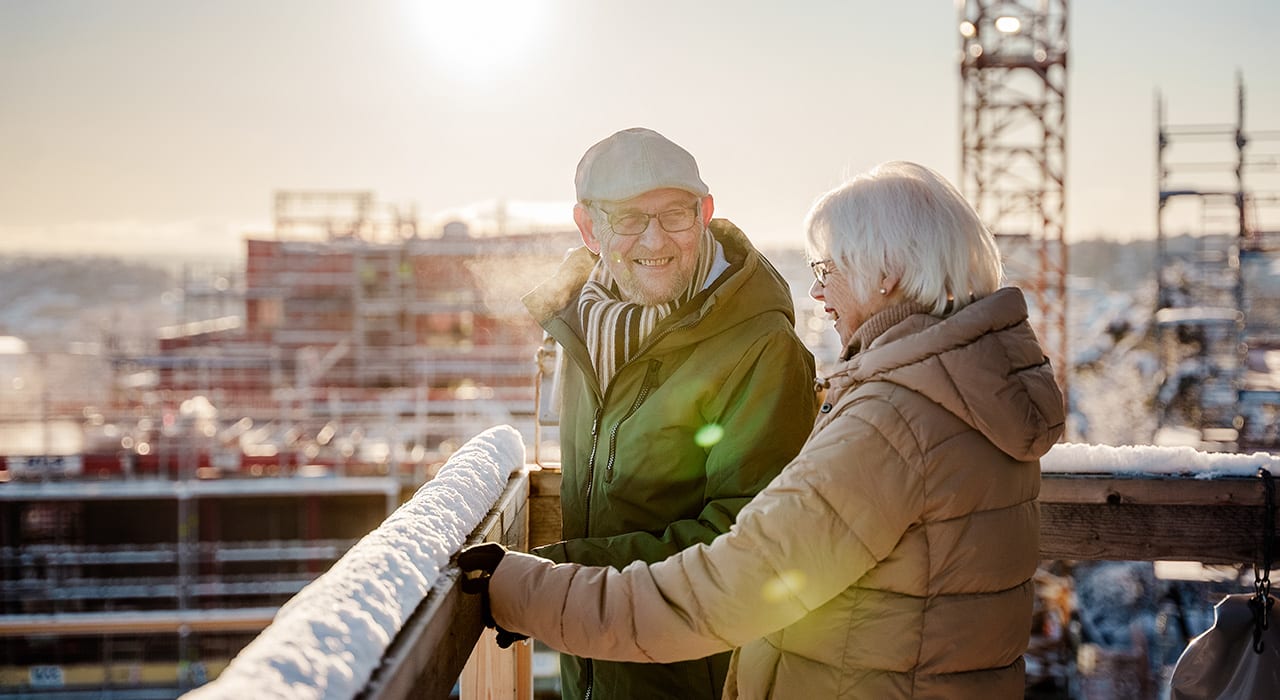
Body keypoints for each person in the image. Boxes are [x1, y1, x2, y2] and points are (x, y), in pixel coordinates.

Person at [463, 160, 1067, 698]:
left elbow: (720, 592)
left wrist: (520, 587)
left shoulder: (897, 423)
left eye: (829, 267)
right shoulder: (967, 390)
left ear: (885, 273)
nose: (816, 289)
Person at [519, 127, 820, 698]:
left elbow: (743, 538)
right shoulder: (583, 328)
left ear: (705, 213)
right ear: (588, 228)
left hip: (701, 677)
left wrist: (552, 577)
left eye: (675, 215)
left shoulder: (759, 347)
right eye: (628, 219)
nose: (655, 239)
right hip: (594, 666)